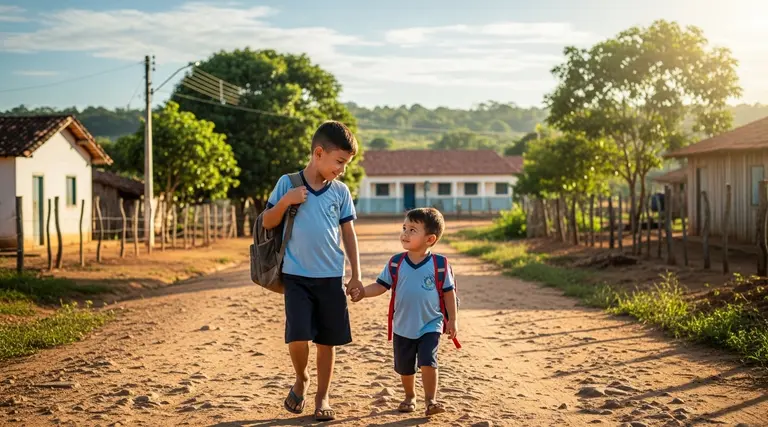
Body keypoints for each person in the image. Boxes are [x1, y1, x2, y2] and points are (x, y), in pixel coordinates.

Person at [261, 120, 364, 422]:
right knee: (297, 336)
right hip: (296, 275)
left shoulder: (340, 192)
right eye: (340, 162)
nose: (342, 169)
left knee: (327, 341)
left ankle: (322, 396)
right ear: (319, 153)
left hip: (331, 276)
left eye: (346, 163)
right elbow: (267, 221)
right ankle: (301, 378)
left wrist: (355, 273)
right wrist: (286, 202)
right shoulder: (288, 183)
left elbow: (349, 234)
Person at [351, 208, 458, 416]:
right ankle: (410, 396)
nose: (405, 234)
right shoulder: (395, 263)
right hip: (402, 325)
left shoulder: (440, 264)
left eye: (412, 230)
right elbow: (381, 286)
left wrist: (452, 320)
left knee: (428, 360)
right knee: (405, 367)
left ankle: (431, 400)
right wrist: (363, 292)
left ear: (430, 239)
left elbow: (448, 293)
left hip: (431, 323)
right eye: (404, 228)